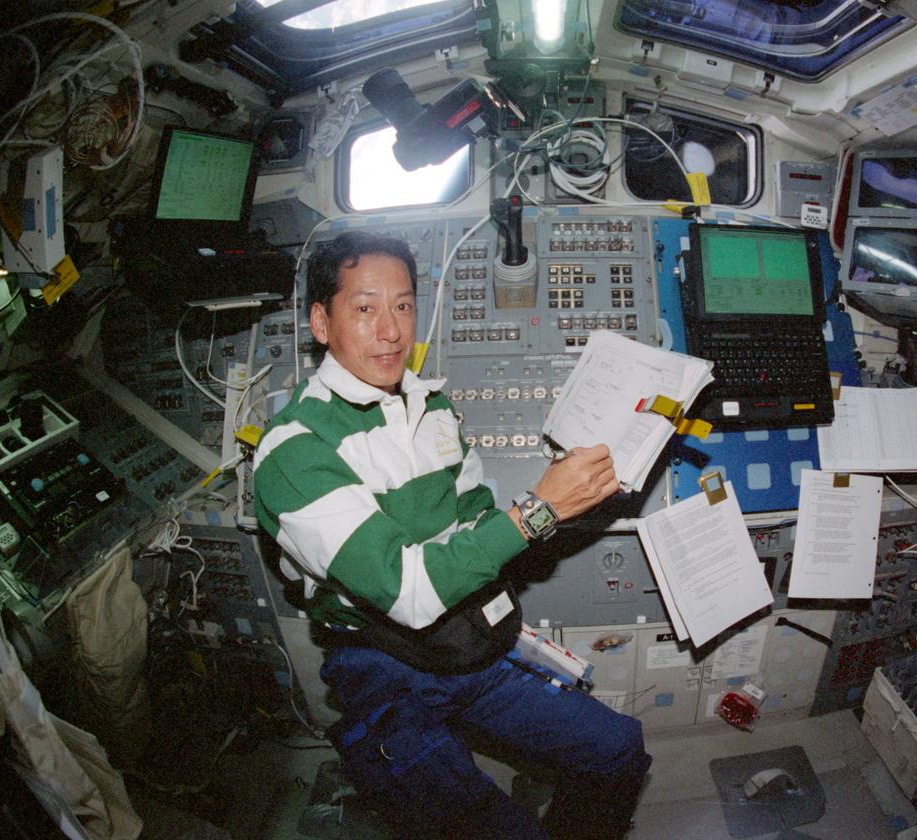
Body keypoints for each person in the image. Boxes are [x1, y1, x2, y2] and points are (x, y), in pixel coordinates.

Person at [253, 230, 651, 839]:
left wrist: (562, 502)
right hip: (383, 664)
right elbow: (409, 591)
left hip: (468, 641)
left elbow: (474, 523)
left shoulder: (431, 408)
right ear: (320, 322)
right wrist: (541, 510)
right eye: (364, 308)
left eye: (404, 305)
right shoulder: (294, 450)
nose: (390, 330)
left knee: (620, 748)